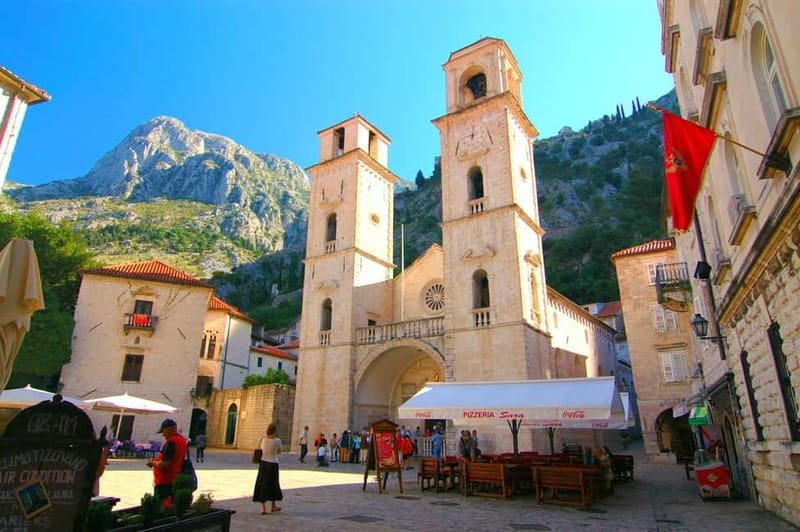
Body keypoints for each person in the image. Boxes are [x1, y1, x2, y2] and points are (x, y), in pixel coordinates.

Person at [146, 418, 188, 502]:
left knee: (161, 504)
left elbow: (165, 463)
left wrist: (153, 463)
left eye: (163, 432)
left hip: (164, 480)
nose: (163, 435)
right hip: (175, 478)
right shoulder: (182, 440)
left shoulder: (171, 442)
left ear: (169, 430)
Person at [253, 422, 283, 514]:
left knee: (262, 484)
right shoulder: (278, 440)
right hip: (273, 464)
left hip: (263, 464)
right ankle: (273, 505)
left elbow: (258, 448)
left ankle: (263, 508)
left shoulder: (263, 439)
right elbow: (280, 451)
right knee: (273, 484)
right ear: (275, 430)